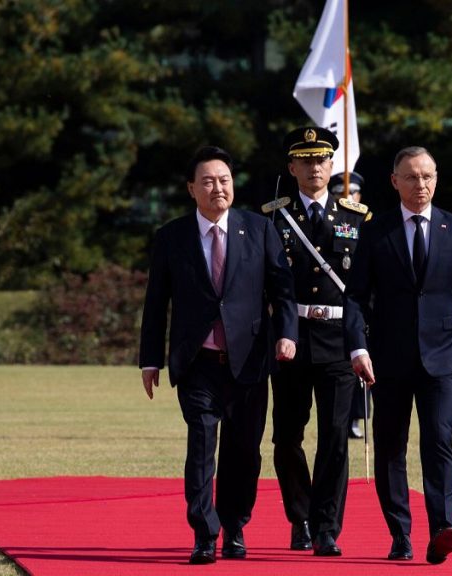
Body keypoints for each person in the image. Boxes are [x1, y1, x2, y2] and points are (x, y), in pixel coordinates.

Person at [139, 145, 298, 565]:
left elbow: (282, 289)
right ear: (192, 188)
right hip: (197, 364)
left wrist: (287, 334)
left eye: (224, 180)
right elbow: (156, 303)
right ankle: (204, 533)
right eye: (207, 182)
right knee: (201, 445)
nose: (217, 188)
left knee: (244, 452)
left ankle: (234, 526)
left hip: (248, 362)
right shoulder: (172, 237)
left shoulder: (259, 229)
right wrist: (150, 359)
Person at [344, 146, 452, 565]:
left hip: (443, 359)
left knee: (439, 441)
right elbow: (354, 298)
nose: (420, 184)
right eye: (411, 177)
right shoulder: (375, 231)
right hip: (387, 359)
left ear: (436, 178)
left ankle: (442, 528)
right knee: (390, 447)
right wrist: (358, 347)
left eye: (427, 176)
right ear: (395, 182)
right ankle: (400, 534)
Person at [263, 127, 369, 557]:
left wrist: (362, 341)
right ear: (292, 168)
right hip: (290, 339)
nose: (314, 168)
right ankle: (299, 518)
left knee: (335, 435)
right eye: (305, 161)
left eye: (321, 160)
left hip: (339, 339)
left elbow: (363, 288)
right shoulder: (273, 217)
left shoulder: (355, 217)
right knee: (287, 435)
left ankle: (327, 526)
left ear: (332, 166)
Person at [330, 171, 371, 440]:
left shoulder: (366, 222)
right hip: (332, 307)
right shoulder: (326, 221)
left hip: (358, 309)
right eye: (341, 192)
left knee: (362, 370)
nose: (347, 196)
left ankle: (359, 416)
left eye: (353, 192)